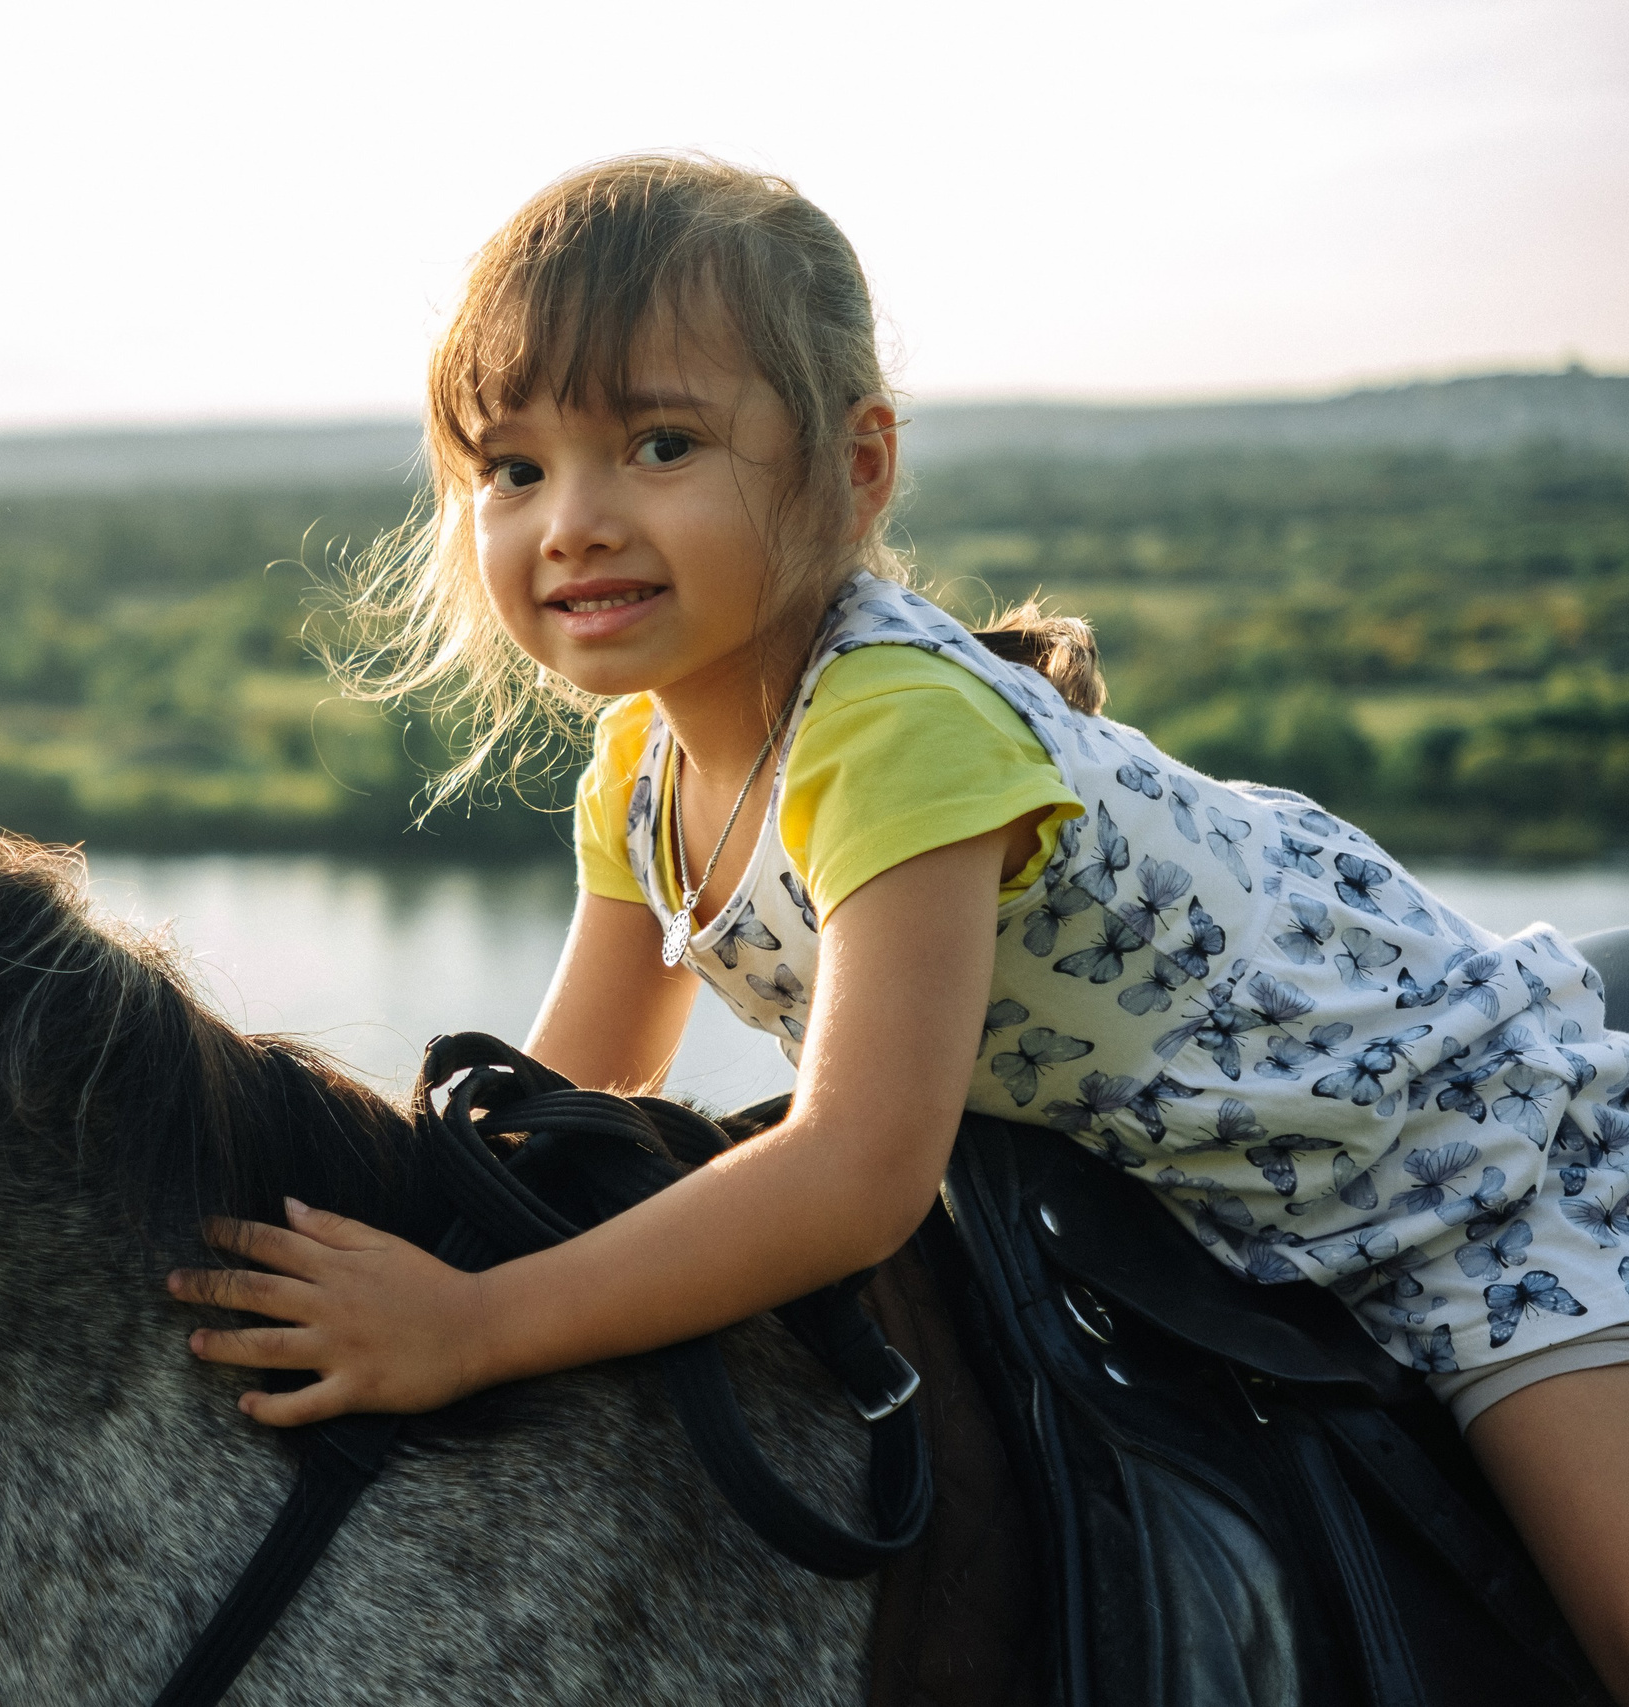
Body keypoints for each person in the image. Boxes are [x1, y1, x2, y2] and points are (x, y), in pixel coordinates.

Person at [164, 155, 1629, 1694]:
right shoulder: (642, 768)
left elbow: (859, 1170)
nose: (573, 521)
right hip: (1173, 1212)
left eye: (658, 443)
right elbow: (564, 1102)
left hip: (1443, 1166)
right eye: (512, 471)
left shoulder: (895, 727)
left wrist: (473, 1328)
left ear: (856, 467)